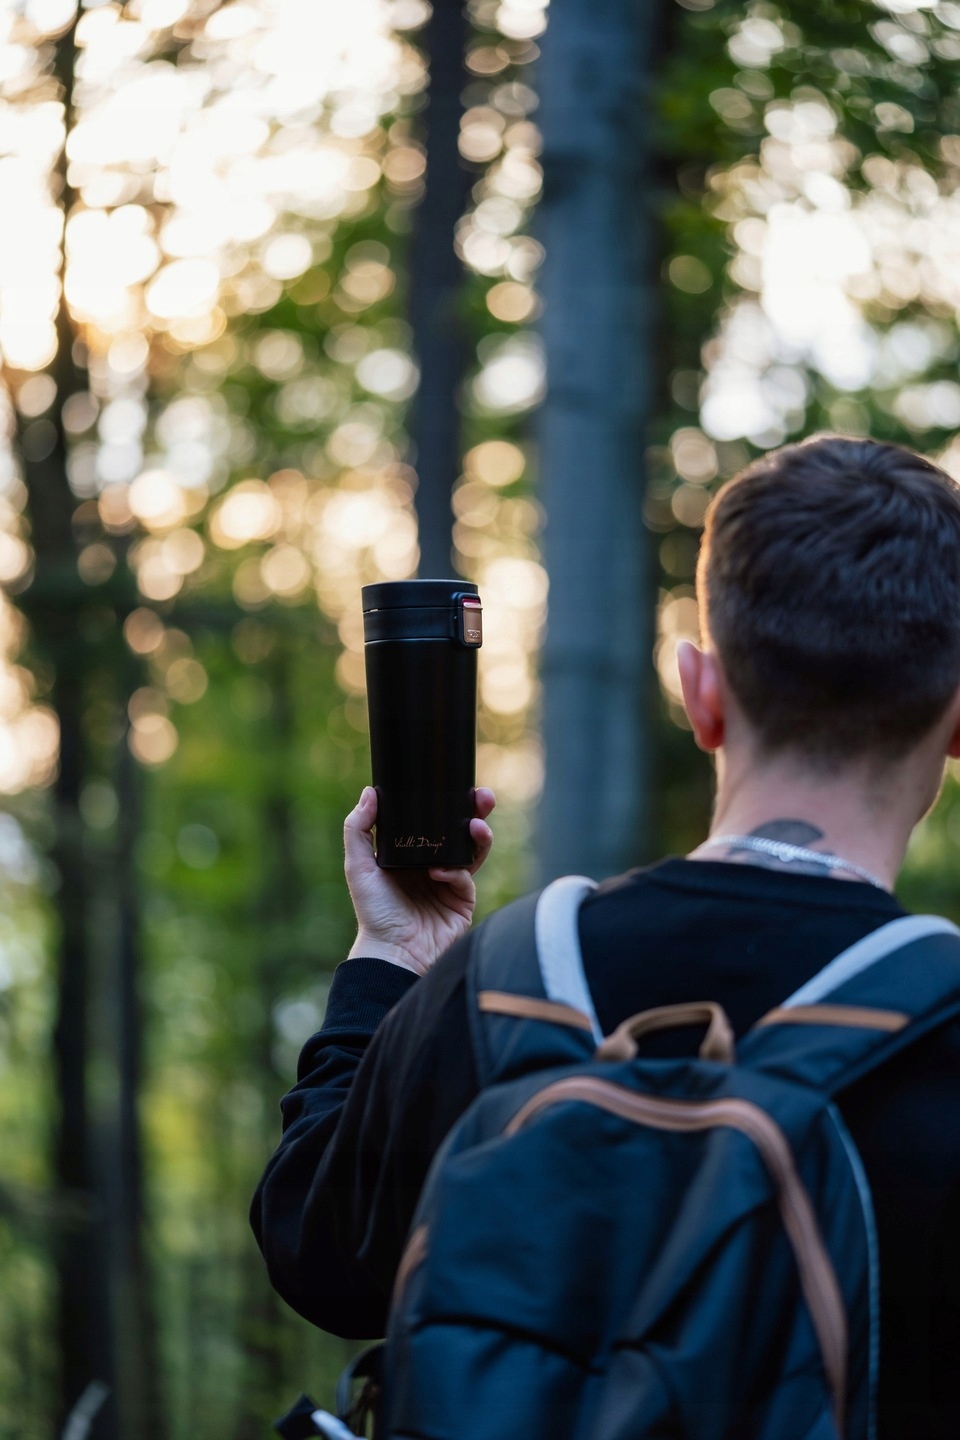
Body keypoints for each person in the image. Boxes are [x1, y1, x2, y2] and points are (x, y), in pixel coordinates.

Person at [252, 435, 960, 1440]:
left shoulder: (506, 982)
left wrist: (394, 958)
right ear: (958, 717)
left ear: (700, 692)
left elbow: (316, 1257)